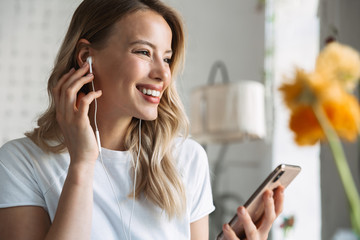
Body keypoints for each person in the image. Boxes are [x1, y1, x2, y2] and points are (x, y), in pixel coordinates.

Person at [0, 0, 284, 239]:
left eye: (167, 58)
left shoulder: (186, 159)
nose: (163, 74)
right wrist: (82, 164)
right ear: (87, 57)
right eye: (144, 52)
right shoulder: (20, 163)